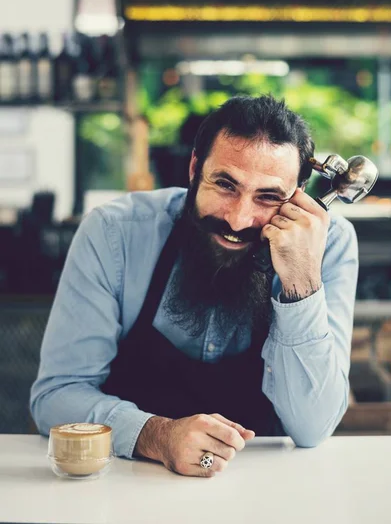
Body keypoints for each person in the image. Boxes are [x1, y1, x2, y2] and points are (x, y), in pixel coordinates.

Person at [31, 95, 358, 478]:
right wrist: (155, 435)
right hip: (128, 484)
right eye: (225, 184)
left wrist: (301, 281)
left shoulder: (328, 245)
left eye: (268, 197)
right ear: (193, 169)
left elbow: (313, 428)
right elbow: (56, 397)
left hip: (270, 491)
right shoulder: (115, 233)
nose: (238, 219)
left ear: (298, 197)